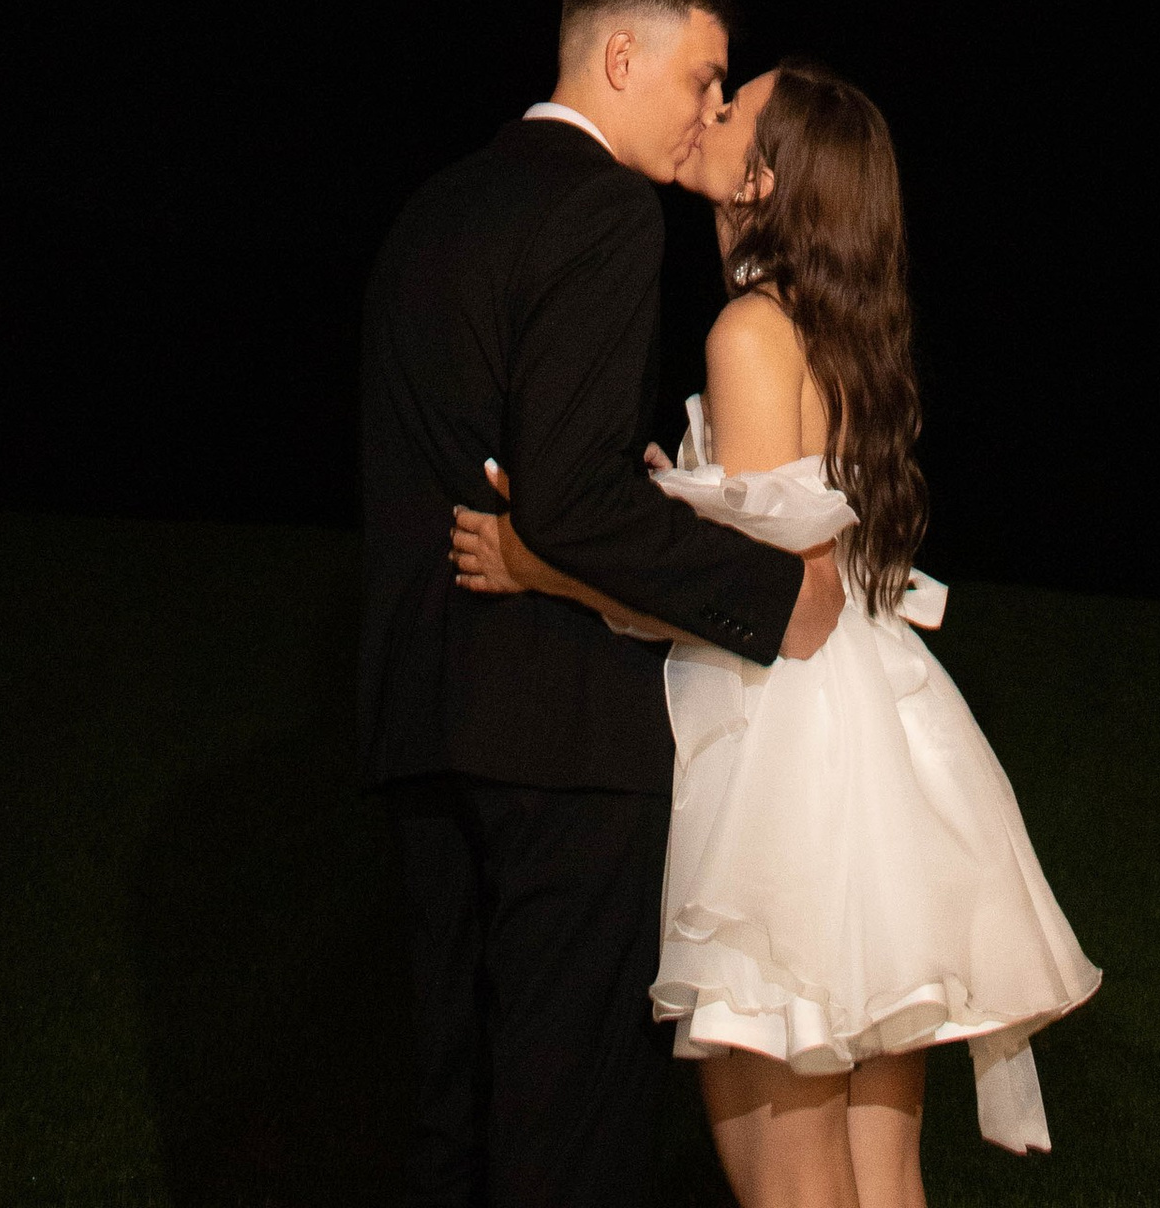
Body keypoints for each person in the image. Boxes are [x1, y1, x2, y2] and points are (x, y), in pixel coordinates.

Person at [454, 62, 1100, 1206]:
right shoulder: (830, 327)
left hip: (786, 774)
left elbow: (769, 607)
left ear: (763, 176)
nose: (704, 112)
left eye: (731, 106)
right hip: (873, 762)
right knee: (877, 1169)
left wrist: (539, 565)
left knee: (790, 1179)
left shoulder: (750, 330)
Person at [359, 0, 849, 1208]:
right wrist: (771, 591)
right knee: (563, 1123)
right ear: (618, 59)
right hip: (560, 740)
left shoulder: (431, 206)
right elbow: (569, 500)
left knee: (447, 1116)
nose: (706, 105)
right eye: (701, 77)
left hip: (420, 720)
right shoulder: (605, 209)